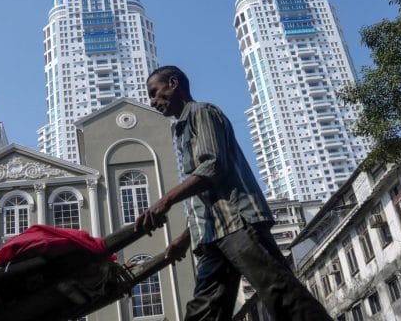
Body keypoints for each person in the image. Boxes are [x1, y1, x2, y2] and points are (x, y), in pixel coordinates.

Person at [136, 65, 332, 321]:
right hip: (212, 236)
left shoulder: (201, 112)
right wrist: (184, 240)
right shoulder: (181, 129)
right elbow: (205, 197)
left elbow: (214, 166)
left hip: (238, 224)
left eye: (154, 92)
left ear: (173, 83)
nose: (153, 102)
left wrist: (166, 200)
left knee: (282, 295)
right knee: (203, 312)